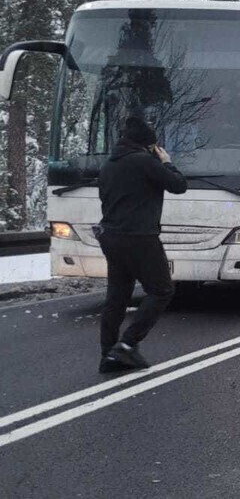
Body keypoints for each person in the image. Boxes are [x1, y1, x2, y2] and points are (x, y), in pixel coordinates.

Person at [95, 117, 188, 373]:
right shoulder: (144, 162)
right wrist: (167, 162)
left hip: (110, 236)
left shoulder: (109, 164)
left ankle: (108, 354)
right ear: (149, 145)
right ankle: (126, 345)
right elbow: (179, 186)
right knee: (162, 291)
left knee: (117, 297)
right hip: (140, 237)